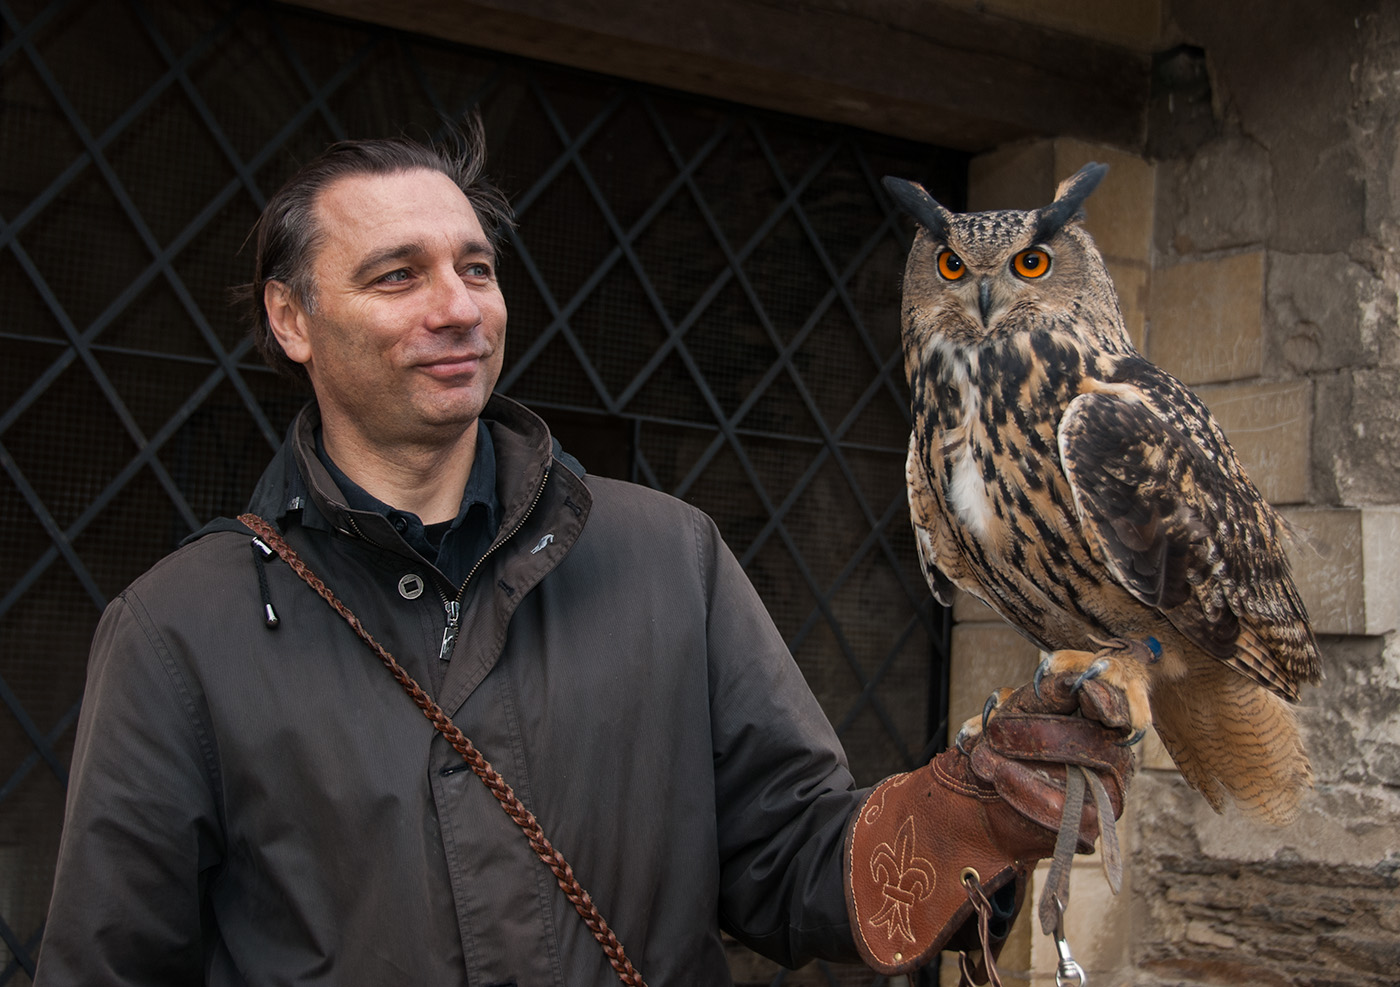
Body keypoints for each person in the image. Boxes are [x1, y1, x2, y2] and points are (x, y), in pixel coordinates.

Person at [35, 124, 1132, 986]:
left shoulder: (668, 558)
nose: (457, 308)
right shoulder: (179, 630)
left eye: (475, 268)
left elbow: (791, 861)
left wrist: (961, 821)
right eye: (397, 277)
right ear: (291, 317)